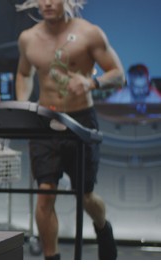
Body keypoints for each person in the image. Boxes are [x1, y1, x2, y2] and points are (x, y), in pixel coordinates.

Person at [15, 0, 125, 260]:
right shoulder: (28, 38)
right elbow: (23, 73)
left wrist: (92, 82)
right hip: (45, 121)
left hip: (80, 121)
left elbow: (118, 74)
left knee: (85, 196)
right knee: (44, 194)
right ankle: (53, 262)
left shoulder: (89, 33)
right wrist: (23, 104)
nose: (48, 3)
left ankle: (102, 227)